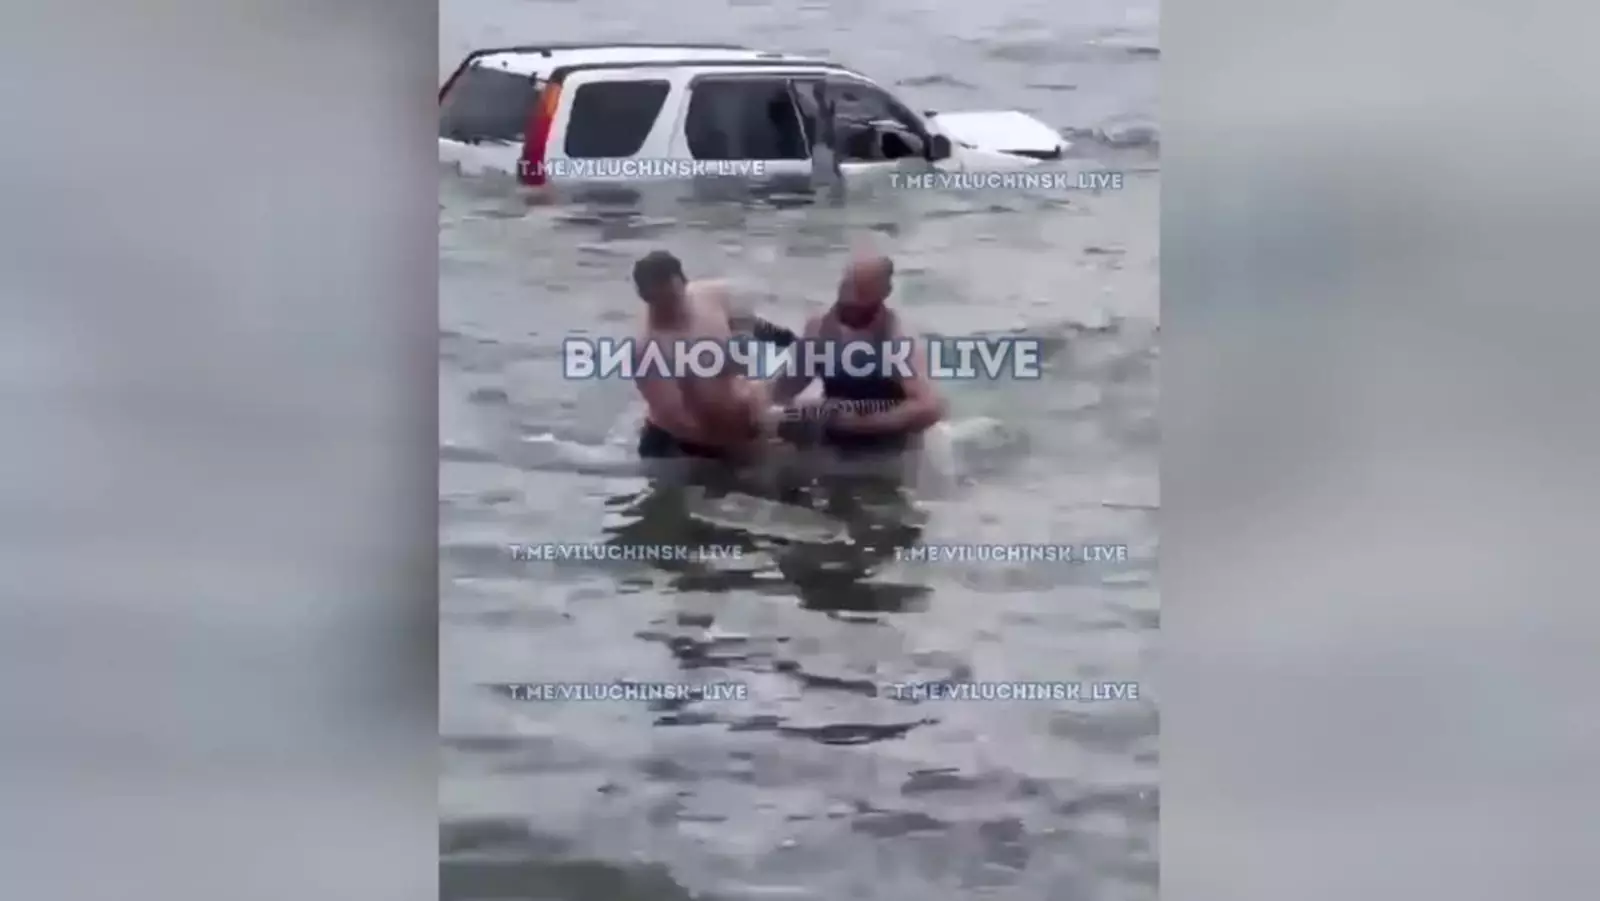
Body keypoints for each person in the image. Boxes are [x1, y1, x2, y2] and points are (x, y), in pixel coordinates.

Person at [770, 253, 947, 454]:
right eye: (846, 293)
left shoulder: (898, 338)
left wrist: (858, 421)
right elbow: (786, 388)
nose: (849, 304)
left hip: (891, 446)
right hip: (835, 439)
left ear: (883, 294)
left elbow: (929, 408)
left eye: (860, 298)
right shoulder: (820, 328)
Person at [630, 250, 798, 460]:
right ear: (644, 296)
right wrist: (748, 436)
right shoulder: (649, 349)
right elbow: (679, 421)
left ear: (684, 282)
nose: (669, 309)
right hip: (679, 444)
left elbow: (750, 324)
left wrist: (788, 341)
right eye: (658, 301)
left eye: (672, 297)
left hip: (736, 415)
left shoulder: (708, 296)